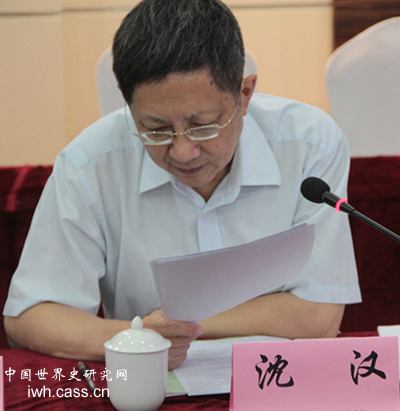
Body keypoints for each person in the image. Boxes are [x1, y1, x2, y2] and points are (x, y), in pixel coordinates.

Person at [3, 0, 361, 370]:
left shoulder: (308, 144)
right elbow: (30, 317)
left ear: (245, 95)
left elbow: (318, 314)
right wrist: (137, 337)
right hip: (151, 385)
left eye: (202, 125)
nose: (183, 151)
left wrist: (166, 329)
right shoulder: (90, 163)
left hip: (277, 380)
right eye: (156, 129)